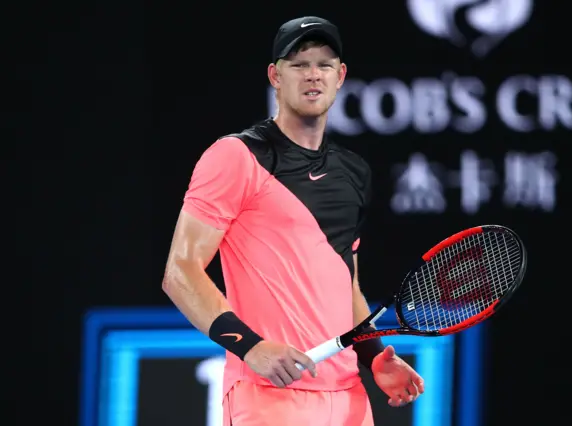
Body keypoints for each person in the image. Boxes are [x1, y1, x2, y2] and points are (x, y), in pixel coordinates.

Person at [162, 15, 425, 426]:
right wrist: (251, 347)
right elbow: (180, 272)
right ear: (275, 76)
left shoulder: (353, 172)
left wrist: (373, 358)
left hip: (349, 402)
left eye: (323, 64)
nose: (312, 75)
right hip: (270, 398)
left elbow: (346, 286)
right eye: (299, 64)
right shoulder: (236, 157)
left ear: (340, 76)